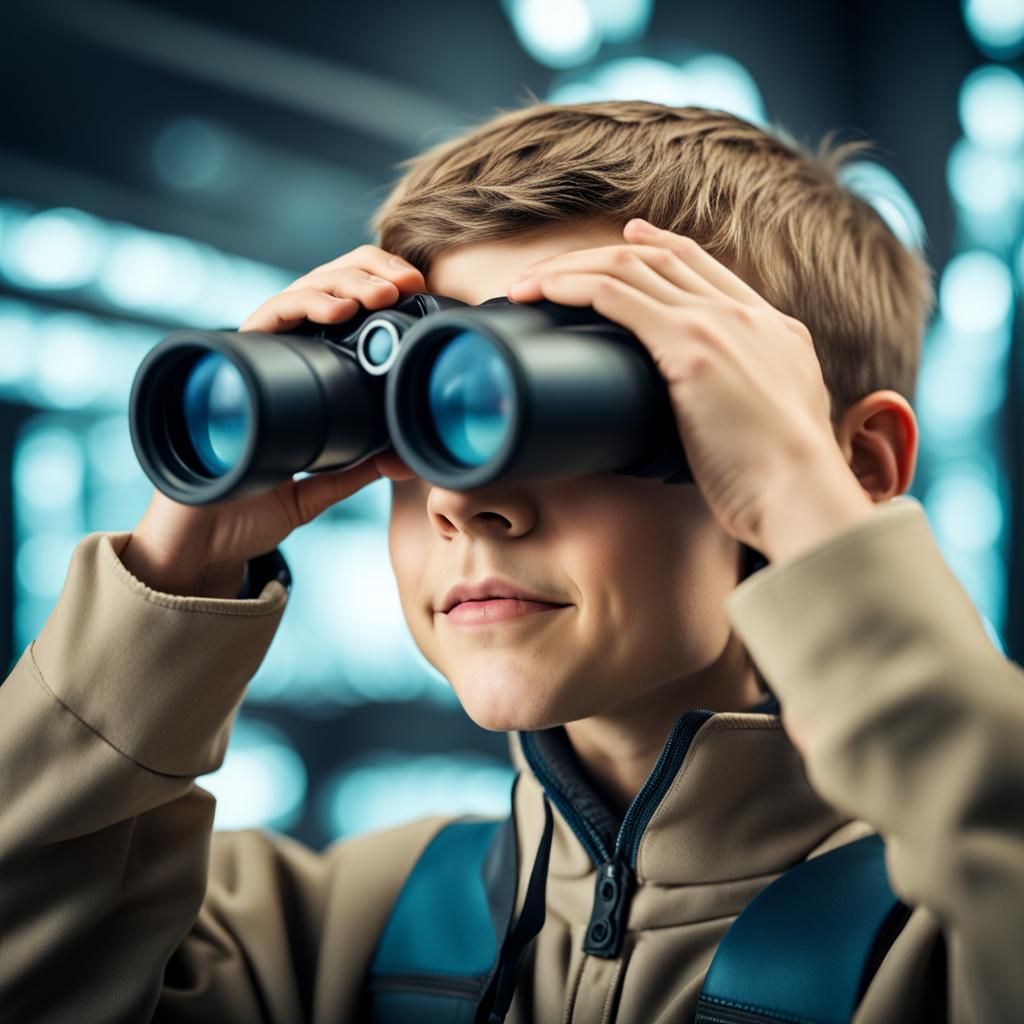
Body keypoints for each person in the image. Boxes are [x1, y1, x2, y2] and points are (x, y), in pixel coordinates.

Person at [1, 100, 1021, 1024]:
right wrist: (177, 567)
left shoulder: (938, 946)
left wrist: (808, 503)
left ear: (855, 462)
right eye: (421, 419)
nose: (460, 499)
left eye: (544, 407)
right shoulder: (336, 934)